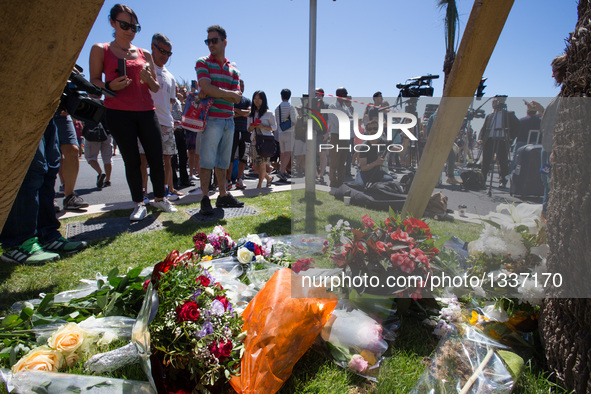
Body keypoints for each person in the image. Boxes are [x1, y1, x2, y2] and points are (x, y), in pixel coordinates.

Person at [89, 4, 177, 221]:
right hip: (118, 112)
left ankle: (160, 198)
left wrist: (149, 80)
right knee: (132, 160)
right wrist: (110, 86)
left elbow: (155, 87)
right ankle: (139, 202)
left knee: (157, 157)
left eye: (134, 27)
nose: (130, 30)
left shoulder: (143, 53)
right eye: (124, 25)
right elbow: (94, 81)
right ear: (112, 23)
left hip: (147, 111)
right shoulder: (100, 49)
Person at [1, 120, 87, 264]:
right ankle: (19, 241)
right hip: (26, 111)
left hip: (50, 112)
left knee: (49, 168)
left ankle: (47, 234)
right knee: (29, 170)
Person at [196, 25, 244, 215]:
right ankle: (205, 197)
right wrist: (230, 94)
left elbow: (238, 97)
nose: (210, 44)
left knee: (224, 160)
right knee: (207, 160)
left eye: (214, 40)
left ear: (224, 42)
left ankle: (223, 195)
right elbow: (207, 88)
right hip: (212, 118)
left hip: (228, 119)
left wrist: (219, 93)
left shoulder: (234, 69)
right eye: (208, 41)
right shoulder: (202, 62)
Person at [148, 32, 183, 201]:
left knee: (168, 158)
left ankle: (170, 188)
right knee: (144, 158)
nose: (165, 56)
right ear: (153, 47)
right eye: (162, 51)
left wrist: (169, 118)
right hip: (147, 119)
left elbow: (170, 101)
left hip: (166, 121)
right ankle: (144, 192)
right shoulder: (146, 68)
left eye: (168, 53)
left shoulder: (170, 76)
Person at [536, 54, 567, 219]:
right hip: (547, 147)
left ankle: (547, 216)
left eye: (554, 71)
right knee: (546, 182)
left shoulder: (568, 95)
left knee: (549, 184)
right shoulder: (561, 95)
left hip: (552, 150)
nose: (552, 75)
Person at [477, 96, 520, 188]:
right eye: (493, 102)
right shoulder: (490, 116)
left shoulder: (509, 114)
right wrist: (480, 138)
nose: (494, 104)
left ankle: (503, 180)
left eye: (495, 102)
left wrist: (511, 137)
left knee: (503, 162)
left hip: (502, 140)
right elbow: (484, 128)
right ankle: (483, 179)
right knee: (486, 161)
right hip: (489, 140)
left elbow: (517, 126)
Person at [55, 111, 89, 210]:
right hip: (43, 111)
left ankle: (69, 197)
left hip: (63, 114)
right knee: (50, 155)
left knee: (73, 150)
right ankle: (48, 198)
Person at [247, 90, 276, 189]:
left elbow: (274, 127)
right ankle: (268, 178)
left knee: (263, 164)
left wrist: (263, 126)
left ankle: (259, 186)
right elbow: (248, 129)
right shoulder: (251, 113)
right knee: (256, 165)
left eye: (259, 98)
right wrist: (252, 127)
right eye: (255, 98)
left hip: (266, 140)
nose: (257, 100)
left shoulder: (269, 113)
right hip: (255, 140)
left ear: (263, 100)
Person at [227, 79, 251, 190]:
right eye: (239, 85)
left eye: (243, 85)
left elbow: (248, 113)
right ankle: (228, 180)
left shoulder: (247, 100)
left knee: (244, 157)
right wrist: (241, 112)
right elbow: (230, 113)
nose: (242, 87)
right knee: (230, 156)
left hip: (245, 132)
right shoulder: (230, 100)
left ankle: (240, 179)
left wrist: (236, 111)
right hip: (232, 130)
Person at [328, 87, 353, 189]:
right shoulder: (332, 106)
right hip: (336, 136)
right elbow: (337, 123)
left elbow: (352, 121)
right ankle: (333, 182)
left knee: (343, 161)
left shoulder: (346, 108)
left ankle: (341, 182)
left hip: (345, 137)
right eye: (344, 94)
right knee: (334, 161)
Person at [358, 120, 394, 185]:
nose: (372, 131)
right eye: (369, 129)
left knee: (389, 180)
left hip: (378, 172)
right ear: (367, 131)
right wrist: (376, 163)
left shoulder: (384, 142)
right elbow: (363, 168)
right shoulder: (364, 146)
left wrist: (406, 138)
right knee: (359, 185)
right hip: (365, 172)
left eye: (375, 128)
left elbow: (401, 151)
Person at [274, 88, 298, 182]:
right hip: (289, 132)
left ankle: (283, 172)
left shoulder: (277, 107)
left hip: (281, 132)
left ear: (281, 96)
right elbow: (294, 120)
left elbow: (277, 121)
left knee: (283, 153)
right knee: (289, 153)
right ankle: (282, 171)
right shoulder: (291, 106)